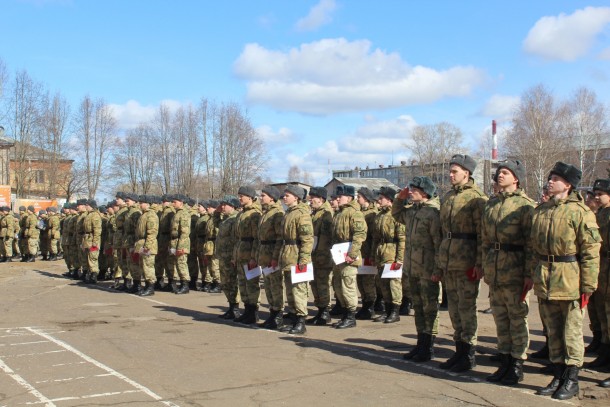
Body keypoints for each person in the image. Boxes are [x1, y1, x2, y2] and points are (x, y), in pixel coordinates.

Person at [531, 162, 600, 400]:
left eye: (555, 178)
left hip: (570, 279)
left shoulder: (580, 212)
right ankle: (558, 375)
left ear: (568, 185)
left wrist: (588, 286)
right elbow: (533, 248)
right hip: (545, 278)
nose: (550, 181)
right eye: (550, 177)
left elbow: (591, 251)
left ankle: (572, 380)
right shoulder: (541, 210)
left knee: (571, 333)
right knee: (553, 332)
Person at [481, 160, 535, 385]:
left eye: (505, 173)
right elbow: (484, 238)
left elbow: (532, 243)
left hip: (515, 268)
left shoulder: (526, 206)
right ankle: (504, 359)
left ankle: (517, 363)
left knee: (517, 318)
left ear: (517, 178)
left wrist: (529, 274)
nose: (499, 176)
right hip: (495, 268)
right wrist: (484, 264)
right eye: (499, 173)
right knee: (500, 317)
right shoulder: (492, 204)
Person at [436, 154, 488, 372]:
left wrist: (478, 262)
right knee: (454, 309)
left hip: (466, 260)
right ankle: (459, 350)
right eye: (450, 171)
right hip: (449, 259)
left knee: (466, 308)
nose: (450, 175)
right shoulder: (448, 197)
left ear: (466, 173)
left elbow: (482, 234)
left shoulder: (477, 198)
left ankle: (469, 353)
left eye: (454, 171)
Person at [393, 177, 441, 361]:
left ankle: (428, 346)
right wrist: (399, 198)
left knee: (430, 308)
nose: (410, 191)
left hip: (428, 269)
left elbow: (438, 243)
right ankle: (420, 343)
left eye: (414, 189)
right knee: (418, 307)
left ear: (425, 192)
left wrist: (438, 269)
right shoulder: (412, 211)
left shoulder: (433, 213)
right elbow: (396, 214)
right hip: (413, 268)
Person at [278, 185, 314, 334]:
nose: (284, 197)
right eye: (284, 195)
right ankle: (293, 317)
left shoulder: (302, 214)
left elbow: (307, 239)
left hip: (297, 255)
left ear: (296, 197)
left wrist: (303, 260)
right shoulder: (288, 213)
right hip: (287, 255)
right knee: (290, 290)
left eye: (287, 195)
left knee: (299, 290)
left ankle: (301, 321)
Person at [331, 185, 367, 329]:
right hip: (339, 254)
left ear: (349, 198)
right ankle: (345, 313)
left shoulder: (354, 213)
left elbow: (359, 235)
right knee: (338, 286)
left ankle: (351, 316)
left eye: (341, 196)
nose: (337, 199)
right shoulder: (339, 213)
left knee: (348, 286)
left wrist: (352, 254)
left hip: (349, 255)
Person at [372, 186, 405, 324]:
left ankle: (395, 311)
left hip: (392, 251)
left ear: (390, 200)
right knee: (383, 283)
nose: (379, 200)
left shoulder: (396, 215)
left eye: (381, 198)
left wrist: (400, 259)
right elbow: (375, 237)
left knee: (393, 283)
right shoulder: (379, 215)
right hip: (381, 251)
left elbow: (402, 238)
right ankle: (387, 310)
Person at [256, 186, 285, 329]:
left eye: (263, 195)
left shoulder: (277, 214)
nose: (261, 198)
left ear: (272, 198)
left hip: (272, 253)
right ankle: (272, 312)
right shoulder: (266, 213)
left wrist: (275, 257)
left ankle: (278, 314)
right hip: (264, 253)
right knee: (268, 285)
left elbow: (280, 238)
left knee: (275, 286)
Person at [590, 179, 610, 383]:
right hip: (602, 266)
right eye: (595, 193)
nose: (596, 197)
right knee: (603, 313)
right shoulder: (601, 213)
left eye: (601, 193)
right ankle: (604, 352)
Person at [234, 186, 263, 324]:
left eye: (242, 196)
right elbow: (238, 237)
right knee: (242, 283)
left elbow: (257, 238)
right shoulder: (241, 213)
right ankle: (247, 310)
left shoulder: (255, 214)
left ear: (250, 197)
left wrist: (254, 257)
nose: (240, 198)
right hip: (241, 252)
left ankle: (253, 311)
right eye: (239, 196)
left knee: (252, 284)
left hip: (250, 252)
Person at [307, 186, 335, 326]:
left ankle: (324, 312)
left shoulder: (326, 214)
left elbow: (329, 237)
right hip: (315, 254)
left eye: (313, 198)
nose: (310, 200)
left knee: (323, 284)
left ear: (322, 199)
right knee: (315, 283)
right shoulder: (315, 213)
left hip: (323, 255)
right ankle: (320, 310)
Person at [355, 187, 380, 320]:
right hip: (360, 252)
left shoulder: (372, 214)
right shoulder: (359, 212)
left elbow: (373, 236)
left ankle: (370, 306)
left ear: (366, 198)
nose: (357, 199)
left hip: (368, 251)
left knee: (368, 281)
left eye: (359, 196)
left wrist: (372, 253)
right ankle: (365, 304)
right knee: (360, 279)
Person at [216, 196, 241, 319]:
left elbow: (236, 240)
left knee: (232, 282)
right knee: (225, 283)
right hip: (223, 255)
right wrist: (216, 211)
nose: (222, 207)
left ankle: (235, 308)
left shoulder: (235, 219)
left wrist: (234, 256)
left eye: (225, 204)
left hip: (230, 255)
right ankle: (231, 307)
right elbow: (214, 223)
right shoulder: (225, 219)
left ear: (233, 206)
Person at [135, 195, 159, 296]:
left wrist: (147, 246)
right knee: (143, 266)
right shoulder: (144, 215)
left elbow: (152, 232)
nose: (140, 205)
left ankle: (150, 287)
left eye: (141, 203)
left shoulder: (151, 215)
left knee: (148, 266)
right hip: (142, 243)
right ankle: (146, 286)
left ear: (147, 203)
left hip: (148, 245)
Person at [169, 194, 191, 294]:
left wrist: (181, 246)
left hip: (181, 242)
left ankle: (185, 285)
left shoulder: (184, 214)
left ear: (181, 203)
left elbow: (185, 232)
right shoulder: (177, 213)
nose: (173, 204)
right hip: (174, 241)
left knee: (181, 263)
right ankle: (180, 284)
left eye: (175, 202)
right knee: (177, 264)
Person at [203, 200, 222, 293]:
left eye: (210, 207)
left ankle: (218, 284)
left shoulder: (217, 219)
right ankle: (214, 282)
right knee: (210, 265)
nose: (207, 208)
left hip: (215, 243)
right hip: (209, 244)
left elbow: (218, 232)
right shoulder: (210, 218)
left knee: (215, 265)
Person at [82, 199, 102, 284]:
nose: (86, 207)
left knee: (93, 258)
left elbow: (97, 230)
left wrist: (95, 242)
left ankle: (94, 276)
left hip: (93, 239)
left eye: (87, 205)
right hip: (87, 239)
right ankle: (89, 274)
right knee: (87, 258)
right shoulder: (88, 215)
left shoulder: (95, 215)